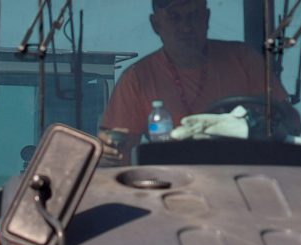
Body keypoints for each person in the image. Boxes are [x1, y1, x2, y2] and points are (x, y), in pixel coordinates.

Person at [101, 0, 290, 150]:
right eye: (175, 18)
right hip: (172, 185)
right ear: (156, 24)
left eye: (193, 16)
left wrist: (256, 124)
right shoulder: (137, 79)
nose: (186, 28)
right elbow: (119, 149)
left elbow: (290, 121)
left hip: (244, 176)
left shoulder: (244, 59)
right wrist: (112, 148)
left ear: (206, 18)